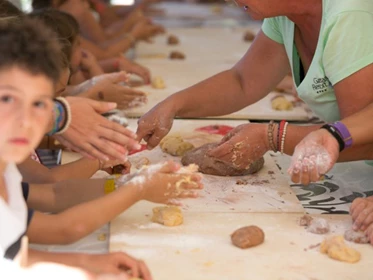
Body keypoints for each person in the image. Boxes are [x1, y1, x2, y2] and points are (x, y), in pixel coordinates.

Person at [136, 0, 373, 174]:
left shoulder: (348, 16)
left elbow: (360, 137)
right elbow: (243, 81)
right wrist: (173, 104)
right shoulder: (286, 14)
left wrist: (272, 137)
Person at [0, 17, 151, 277]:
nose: (25, 121)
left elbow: (13, 251)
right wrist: (139, 188)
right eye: (7, 99)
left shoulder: (8, 174)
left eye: (41, 104)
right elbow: (64, 227)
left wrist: (86, 262)